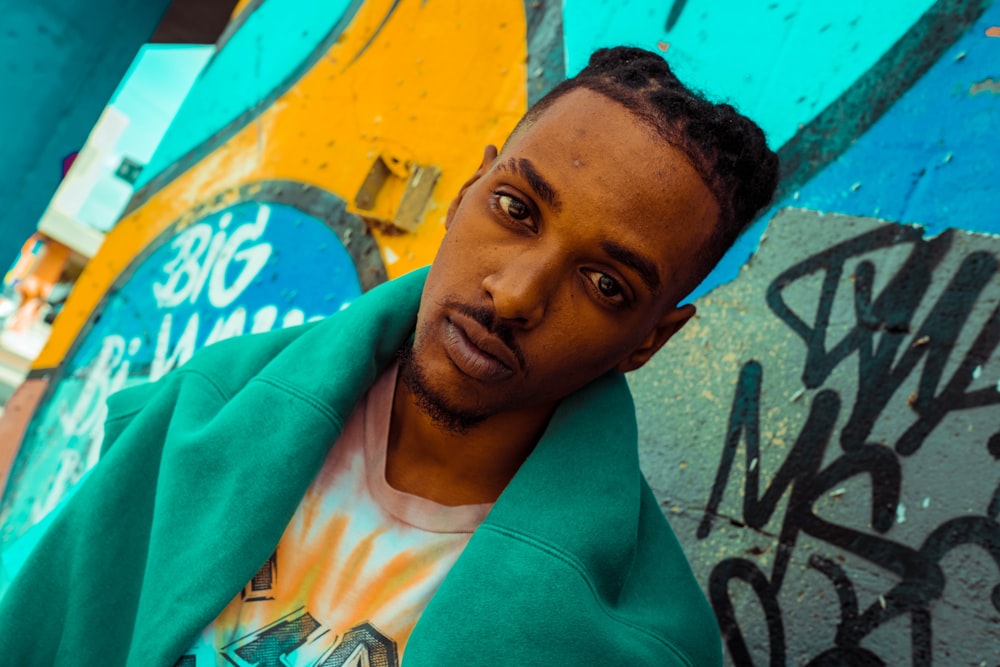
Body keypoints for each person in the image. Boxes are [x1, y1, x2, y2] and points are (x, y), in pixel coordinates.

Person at [0, 46, 778, 666]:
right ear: (466, 191)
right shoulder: (200, 412)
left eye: (605, 283)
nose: (514, 294)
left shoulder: (647, 641)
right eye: (515, 208)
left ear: (650, 338)